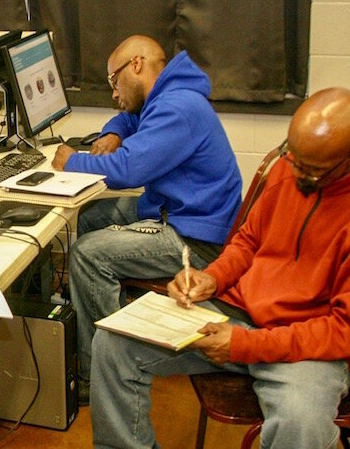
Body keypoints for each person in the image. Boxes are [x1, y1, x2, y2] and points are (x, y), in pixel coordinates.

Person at [90, 87, 350, 448]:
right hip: (237, 313)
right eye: (292, 158)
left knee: (301, 421)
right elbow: (247, 242)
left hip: (305, 345)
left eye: (312, 171)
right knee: (113, 342)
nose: (296, 173)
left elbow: (344, 331)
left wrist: (247, 344)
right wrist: (212, 278)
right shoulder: (287, 169)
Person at [51, 35, 242, 403]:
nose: (113, 93)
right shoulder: (167, 97)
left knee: (87, 254)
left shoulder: (178, 108)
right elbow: (129, 117)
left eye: (113, 82)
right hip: (176, 210)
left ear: (135, 66)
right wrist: (111, 131)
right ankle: (107, 317)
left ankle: (100, 375)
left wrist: (70, 161)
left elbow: (127, 169)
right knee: (91, 215)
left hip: (193, 237)